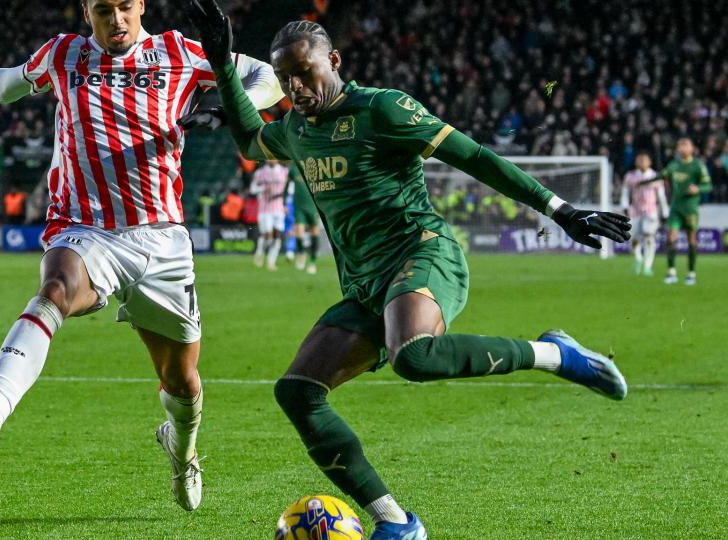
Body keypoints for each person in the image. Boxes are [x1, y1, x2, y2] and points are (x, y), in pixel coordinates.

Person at [185, 3, 631, 538]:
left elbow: (476, 157)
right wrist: (223, 67)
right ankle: (395, 523)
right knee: (297, 391)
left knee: (414, 355)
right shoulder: (296, 130)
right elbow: (249, 140)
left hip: (422, 253)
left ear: (334, 61)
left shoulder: (383, 109)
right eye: (284, 79)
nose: (295, 87)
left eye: (304, 73)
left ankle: (556, 354)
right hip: (366, 285)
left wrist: (560, 210)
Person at [0, 0, 283, 512]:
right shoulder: (64, 55)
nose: (117, 20)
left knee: (182, 382)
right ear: (86, 11)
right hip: (85, 229)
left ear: (142, 7)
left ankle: (183, 450)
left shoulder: (178, 52)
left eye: (126, 7)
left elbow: (269, 76)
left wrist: (232, 107)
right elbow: (5, 85)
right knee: (55, 291)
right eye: (104, 9)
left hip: (162, 241)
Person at [659, 138, 712, 285]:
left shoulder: (697, 165)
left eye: (685, 145)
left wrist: (698, 189)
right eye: (679, 145)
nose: (681, 148)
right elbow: (663, 174)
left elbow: (708, 185)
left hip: (690, 209)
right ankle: (671, 272)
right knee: (670, 239)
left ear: (692, 148)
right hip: (675, 208)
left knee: (691, 240)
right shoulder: (674, 165)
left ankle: (691, 273)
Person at [621, 152, 667, 276]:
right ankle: (638, 259)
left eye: (644, 160)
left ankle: (647, 266)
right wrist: (625, 207)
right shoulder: (630, 176)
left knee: (649, 236)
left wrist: (665, 212)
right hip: (635, 211)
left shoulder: (655, 176)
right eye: (639, 159)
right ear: (636, 162)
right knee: (634, 238)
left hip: (651, 211)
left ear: (649, 162)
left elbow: (661, 196)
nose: (642, 162)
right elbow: (625, 193)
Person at [250, 160, 289, 269]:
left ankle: (271, 261)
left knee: (277, 236)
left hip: (279, 208)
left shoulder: (284, 171)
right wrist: (262, 188)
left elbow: (289, 189)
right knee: (268, 235)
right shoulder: (260, 172)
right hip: (265, 209)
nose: (271, 159)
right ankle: (259, 253)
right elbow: (252, 189)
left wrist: (286, 204)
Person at [289, 163, 320, 274]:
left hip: (313, 206)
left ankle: (313, 262)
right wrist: (284, 203)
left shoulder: (316, 166)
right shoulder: (293, 168)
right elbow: (286, 186)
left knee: (314, 234)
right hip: (298, 206)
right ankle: (301, 254)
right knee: (299, 232)